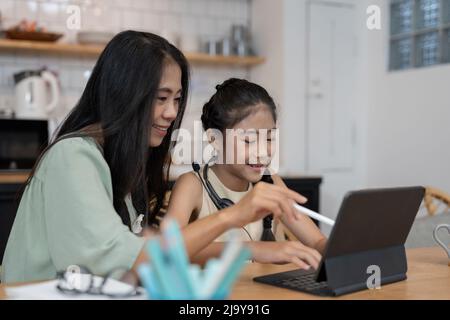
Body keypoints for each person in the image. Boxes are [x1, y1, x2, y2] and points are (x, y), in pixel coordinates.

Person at [1, 32, 306, 284]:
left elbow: (145, 256)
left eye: (176, 99)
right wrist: (231, 217)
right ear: (124, 94)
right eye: (161, 98)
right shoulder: (72, 156)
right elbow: (131, 257)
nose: (172, 112)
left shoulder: (128, 163)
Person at [167, 78, 327, 269]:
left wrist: (343, 248)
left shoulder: (271, 182)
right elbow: (168, 251)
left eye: (269, 138)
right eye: (249, 140)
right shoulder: (192, 185)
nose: (262, 152)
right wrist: (254, 249)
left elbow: (317, 242)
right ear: (214, 139)